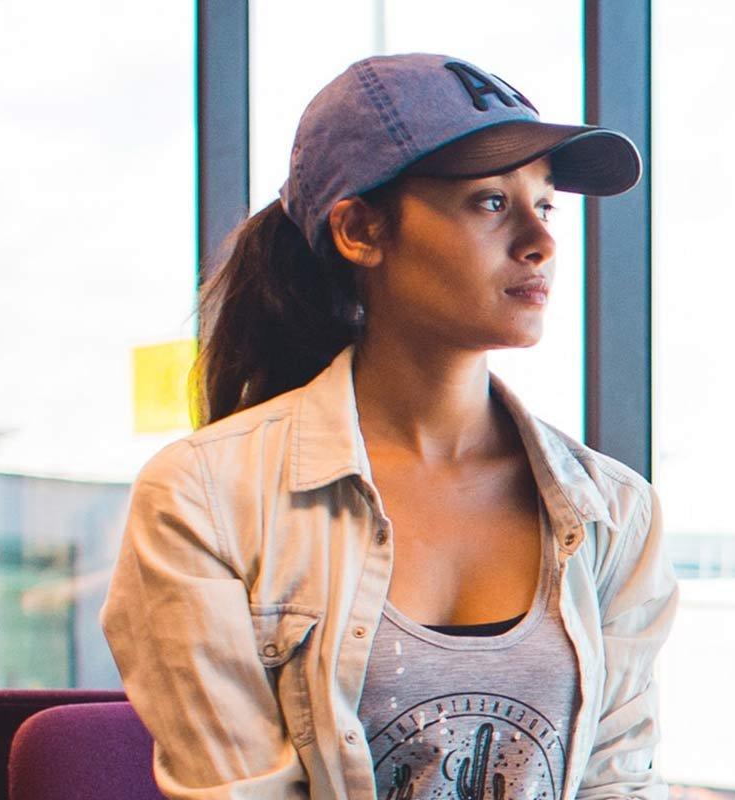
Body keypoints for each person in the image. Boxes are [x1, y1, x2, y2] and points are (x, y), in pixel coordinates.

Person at [102, 52, 676, 800]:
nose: (541, 240)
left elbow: (619, 781)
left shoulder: (614, 512)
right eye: (491, 203)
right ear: (361, 231)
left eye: (547, 203)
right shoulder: (204, 498)